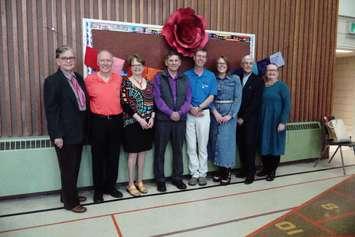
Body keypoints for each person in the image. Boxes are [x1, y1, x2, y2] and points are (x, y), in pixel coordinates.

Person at [44, 46, 88, 213]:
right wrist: (56, 135)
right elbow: (51, 111)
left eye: (71, 58)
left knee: (74, 167)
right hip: (64, 134)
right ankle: (71, 203)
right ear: (58, 61)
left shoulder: (78, 77)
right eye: (65, 58)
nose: (69, 61)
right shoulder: (52, 81)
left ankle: (68, 194)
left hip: (79, 132)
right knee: (68, 169)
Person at [85, 50, 123, 203]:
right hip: (97, 122)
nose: (106, 63)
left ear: (112, 63)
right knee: (98, 158)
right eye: (103, 60)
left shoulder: (119, 79)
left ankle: (110, 187)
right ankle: (98, 191)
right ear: (98, 62)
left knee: (114, 157)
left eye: (108, 60)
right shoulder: (89, 80)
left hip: (116, 121)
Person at [153, 51, 191, 192]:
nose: (174, 63)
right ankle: (160, 180)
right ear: (166, 62)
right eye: (171, 60)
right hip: (163, 120)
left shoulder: (185, 78)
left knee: (178, 151)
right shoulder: (158, 77)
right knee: (160, 151)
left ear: (180, 63)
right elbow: (157, 99)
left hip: (180, 120)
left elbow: (188, 99)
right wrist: (170, 113)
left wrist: (180, 113)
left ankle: (177, 178)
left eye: (176, 60)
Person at [121, 54, 155, 196]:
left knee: (142, 154)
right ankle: (130, 184)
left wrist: (152, 117)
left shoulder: (148, 82)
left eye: (139, 65)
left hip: (148, 124)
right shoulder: (126, 82)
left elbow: (153, 103)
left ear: (143, 67)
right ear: (130, 67)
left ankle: (140, 181)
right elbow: (125, 104)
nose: (137, 68)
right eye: (134, 65)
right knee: (133, 154)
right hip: (132, 123)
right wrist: (139, 119)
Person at [184, 49, 217, 186]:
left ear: (206, 59)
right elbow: (182, 95)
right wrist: (191, 108)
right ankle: (194, 173)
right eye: (198, 56)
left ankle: (203, 173)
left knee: (202, 146)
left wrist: (199, 108)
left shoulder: (211, 76)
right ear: (194, 57)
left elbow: (211, 96)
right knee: (191, 146)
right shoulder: (186, 75)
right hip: (188, 113)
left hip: (204, 114)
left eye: (203, 56)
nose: (201, 58)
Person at [209, 56, 242, 185]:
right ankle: (219, 169)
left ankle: (226, 171)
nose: (221, 65)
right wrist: (215, 113)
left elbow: (238, 99)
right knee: (216, 142)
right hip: (215, 114)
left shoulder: (235, 79)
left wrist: (230, 115)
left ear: (227, 65)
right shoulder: (213, 79)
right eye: (219, 63)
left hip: (229, 116)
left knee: (226, 143)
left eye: (223, 63)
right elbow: (209, 98)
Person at [258, 63, 291, 181]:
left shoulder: (282, 86)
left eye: (273, 70)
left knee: (275, 145)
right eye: (269, 70)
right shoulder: (262, 86)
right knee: (264, 144)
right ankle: (265, 169)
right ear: (266, 72)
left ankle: (272, 171)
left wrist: (283, 122)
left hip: (276, 121)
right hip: (263, 120)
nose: (271, 72)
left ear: (277, 72)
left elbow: (287, 106)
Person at [236, 55, 264, 184]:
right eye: (245, 63)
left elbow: (255, 103)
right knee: (241, 146)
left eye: (250, 63)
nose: (248, 65)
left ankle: (250, 173)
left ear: (253, 65)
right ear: (242, 65)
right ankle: (243, 170)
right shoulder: (237, 78)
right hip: (236, 119)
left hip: (250, 120)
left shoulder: (258, 80)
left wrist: (243, 118)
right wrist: (236, 116)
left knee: (249, 146)